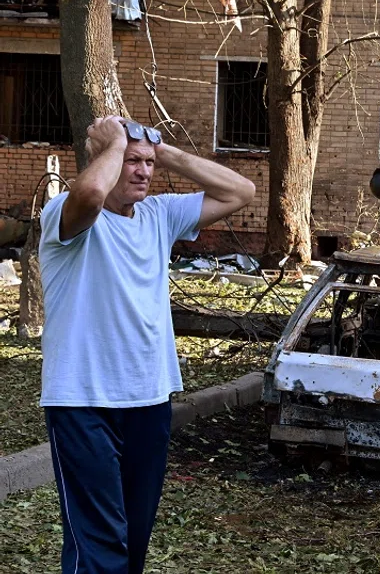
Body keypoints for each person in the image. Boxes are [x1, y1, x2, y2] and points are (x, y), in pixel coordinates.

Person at [39, 115, 255, 574]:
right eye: (131, 161)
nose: (142, 171)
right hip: (82, 402)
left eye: (148, 164)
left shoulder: (159, 215)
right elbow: (92, 194)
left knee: (134, 541)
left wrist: (166, 152)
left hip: (148, 399)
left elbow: (241, 192)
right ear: (105, 158)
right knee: (97, 544)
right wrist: (115, 144)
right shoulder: (65, 213)